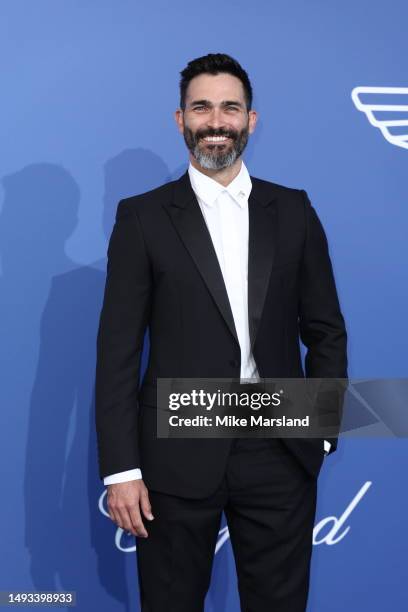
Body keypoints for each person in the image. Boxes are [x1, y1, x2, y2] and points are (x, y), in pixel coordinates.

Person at [95, 53, 347, 611]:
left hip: (279, 445)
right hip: (174, 450)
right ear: (180, 119)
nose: (216, 120)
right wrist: (122, 468)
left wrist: (321, 430)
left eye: (230, 107)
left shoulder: (294, 210)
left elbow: (326, 329)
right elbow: (117, 351)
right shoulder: (143, 218)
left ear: (250, 120)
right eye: (201, 106)